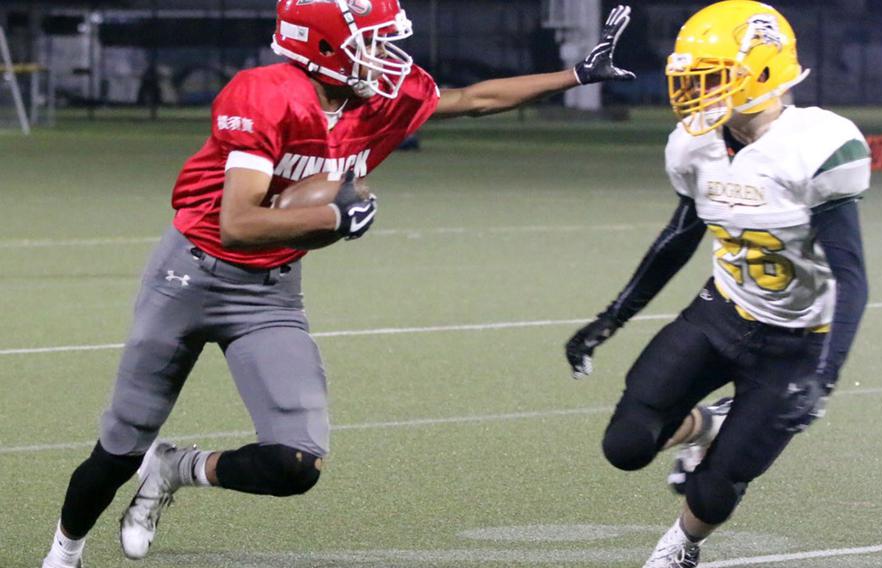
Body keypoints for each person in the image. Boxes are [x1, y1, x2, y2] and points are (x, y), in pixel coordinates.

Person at [41, 2, 636, 566]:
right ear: (323, 45)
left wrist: (578, 74)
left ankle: (176, 468)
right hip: (189, 276)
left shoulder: (381, 94)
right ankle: (63, 552)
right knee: (119, 448)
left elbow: (473, 98)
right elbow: (239, 222)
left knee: (294, 463)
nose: (388, 55)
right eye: (371, 42)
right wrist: (333, 217)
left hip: (270, 292)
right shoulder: (266, 93)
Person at [564, 1, 870, 566]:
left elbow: (851, 277)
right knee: (626, 445)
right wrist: (610, 319)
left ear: (763, 72)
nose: (694, 93)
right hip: (722, 313)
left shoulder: (815, 148)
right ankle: (710, 421)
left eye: (711, 77)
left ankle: (681, 544)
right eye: (690, 78)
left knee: (711, 489)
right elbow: (678, 237)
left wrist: (824, 378)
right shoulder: (695, 144)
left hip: (796, 342)